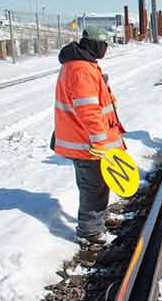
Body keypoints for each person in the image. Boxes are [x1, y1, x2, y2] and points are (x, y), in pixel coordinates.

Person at [53, 26, 126, 245]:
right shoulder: (80, 70)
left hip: (88, 141)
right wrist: (99, 141)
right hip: (86, 143)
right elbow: (88, 110)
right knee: (92, 187)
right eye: (104, 46)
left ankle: (99, 219)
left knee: (101, 182)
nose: (105, 50)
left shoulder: (84, 65)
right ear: (94, 44)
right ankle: (89, 231)